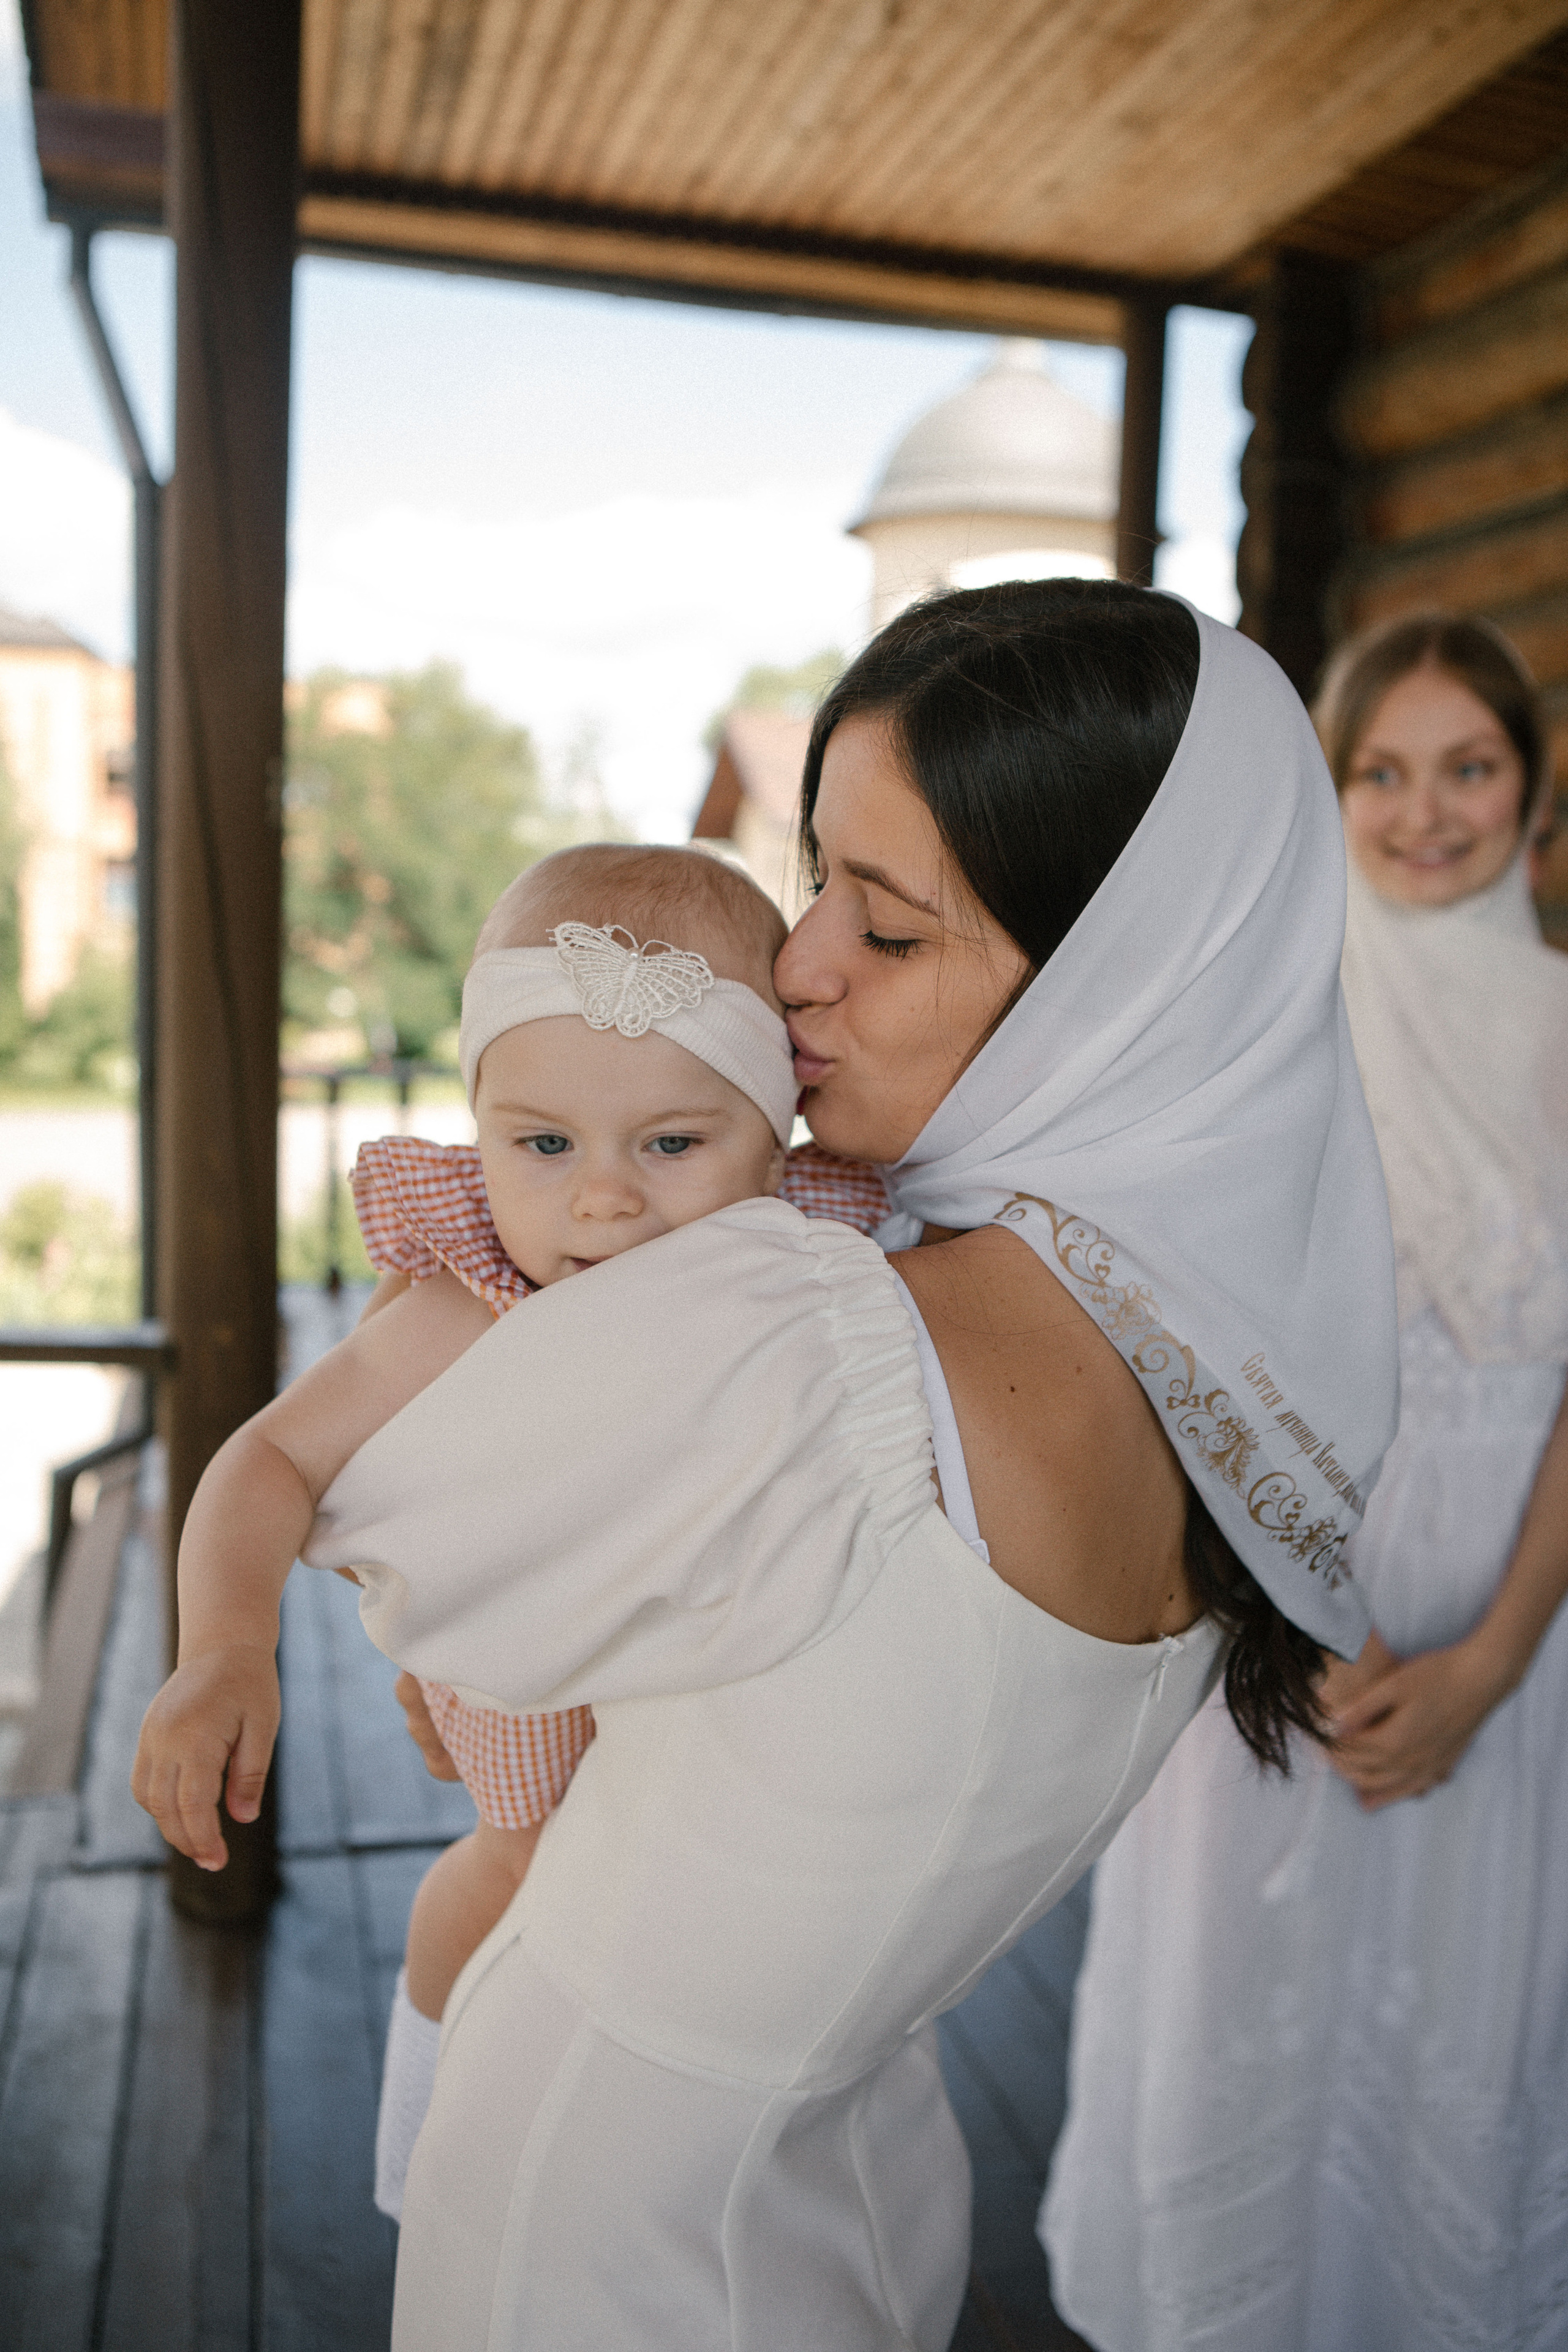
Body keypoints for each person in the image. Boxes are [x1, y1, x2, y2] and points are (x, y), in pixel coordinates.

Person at [278, 581, 1398, 2350]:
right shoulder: (1226, 1381)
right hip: (852, 2192)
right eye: (816, 883)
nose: (791, 968)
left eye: (886, 931)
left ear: (1113, 988)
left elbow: (415, 1561)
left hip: (593, 2230)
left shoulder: (810, 1332)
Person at [1039, 612, 1568, 2352]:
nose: (1428, 813)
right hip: (1271, 1593)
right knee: (1244, 1987)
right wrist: (1270, 1600)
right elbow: (1169, 1319)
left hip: (1519, 1611)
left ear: (1532, 787)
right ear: (1329, 793)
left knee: (1460, 2011)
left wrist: (1489, 1660)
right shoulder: (1266, 1021)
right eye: (1384, 772)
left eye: (1469, 768)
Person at [338, 848, 889, 2218]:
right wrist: (229, 1642)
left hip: (716, 1656)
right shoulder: (483, 1275)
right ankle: (430, 2122)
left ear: (772, 1141)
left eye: (670, 1144)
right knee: (526, 1861)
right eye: (542, 1144)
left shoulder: (811, 1255)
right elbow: (293, 1459)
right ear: (480, 1136)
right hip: (542, 1648)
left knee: (689, 1899)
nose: (601, 1200)